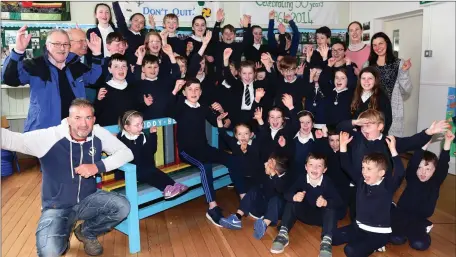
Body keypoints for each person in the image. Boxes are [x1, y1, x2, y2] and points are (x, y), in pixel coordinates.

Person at [1, 99, 133, 256]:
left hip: (88, 199)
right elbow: (13, 140)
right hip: (57, 207)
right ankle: (63, 229)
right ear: (69, 119)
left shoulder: (98, 133)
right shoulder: (49, 137)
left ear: (94, 119)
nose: (83, 124)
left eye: (88, 118)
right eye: (77, 118)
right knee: (50, 251)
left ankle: (86, 232)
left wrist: (97, 167)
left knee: (122, 206)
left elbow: (126, 153)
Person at [1, 25, 102, 132]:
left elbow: (95, 80)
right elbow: (10, 79)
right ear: (47, 45)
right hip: (42, 132)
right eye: (57, 44)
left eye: (65, 44)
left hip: (73, 131)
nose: (62, 48)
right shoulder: (35, 65)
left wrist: (97, 54)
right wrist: (18, 51)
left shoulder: (75, 66)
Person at [390, 131, 453, 251]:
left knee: (420, 244)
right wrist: (424, 144)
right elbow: (414, 162)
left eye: (428, 169)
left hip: (419, 218)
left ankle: (425, 225)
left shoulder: (435, 181)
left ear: (435, 171)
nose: (423, 172)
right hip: (402, 214)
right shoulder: (412, 176)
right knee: (396, 239)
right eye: (420, 168)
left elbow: (444, 163)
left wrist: (448, 142)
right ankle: (392, 209)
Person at [271, 153, 344, 256]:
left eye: (319, 166)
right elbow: (287, 193)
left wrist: (326, 202)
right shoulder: (301, 178)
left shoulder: (327, 183)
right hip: (304, 214)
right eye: (311, 164)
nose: (314, 168)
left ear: (324, 169)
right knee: (292, 201)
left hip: (321, 218)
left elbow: (339, 202)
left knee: (330, 208)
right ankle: (283, 232)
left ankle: (327, 241)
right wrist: (294, 196)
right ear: (306, 167)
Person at [117, 110, 188, 199]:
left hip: (144, 167)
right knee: (149, 173)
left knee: (155, 171)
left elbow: (152, 150)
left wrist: (153, 135)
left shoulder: (142, 136)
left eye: (142, 124)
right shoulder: (121, 139)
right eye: (137, 125)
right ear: (127, 127)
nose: (141, 127)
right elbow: (134, 155)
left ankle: (173, 184)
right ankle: (166, 189)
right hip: (130, 170)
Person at [365, 32, 413, 137]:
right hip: (373, 109)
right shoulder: (368, 65)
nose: (378, 47)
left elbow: (406, 90)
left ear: (387, 44)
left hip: (393, 110)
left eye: (380, 43)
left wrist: (404, 72)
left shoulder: (399, 63)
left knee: (391, 143)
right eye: (374, 45)